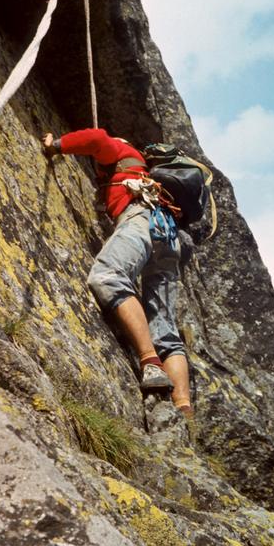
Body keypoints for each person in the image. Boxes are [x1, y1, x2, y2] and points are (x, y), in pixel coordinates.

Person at [42, 128, 192, 415]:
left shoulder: (123, 151)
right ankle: (184, 409)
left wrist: (56, 146)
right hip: (169, 237)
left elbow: (97, 139)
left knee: (108, 276)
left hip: (142, 218)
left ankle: (150, 363)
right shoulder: (143, 177)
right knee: (166, 329)